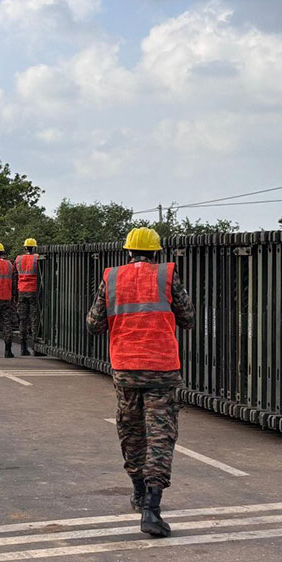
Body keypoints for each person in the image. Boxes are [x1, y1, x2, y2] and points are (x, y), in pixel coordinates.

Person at [85, 227, 196, 538]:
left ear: (127, 251)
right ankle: (152, 509)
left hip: (127, 368)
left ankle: (137, 492)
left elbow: (93, 325)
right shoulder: (167, 275)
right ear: (157, 252)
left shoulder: (112, 277)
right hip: (162, 367)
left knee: (132, 432)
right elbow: (187, 317)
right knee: (161, 437)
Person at [16, 238, 43, 356]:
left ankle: (23, 348)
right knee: (35, 318)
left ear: (25, 247)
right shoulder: (37, 258)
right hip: (34, 291)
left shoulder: (19, 258)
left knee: (23, 319)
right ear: (35, 247)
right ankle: (36, 348)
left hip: (22, 290)